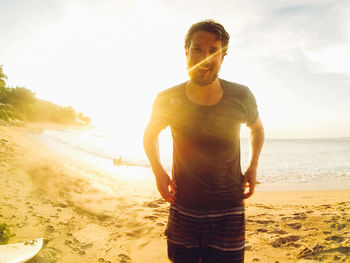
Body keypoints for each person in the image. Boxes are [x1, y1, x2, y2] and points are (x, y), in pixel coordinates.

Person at [143, 20, 264, 263]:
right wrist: (158, 172)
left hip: (229, 208)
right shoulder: (168, 98)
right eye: (198, 49)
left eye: (214, 51)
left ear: (222, 57)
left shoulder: (241, 95)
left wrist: (252, 167)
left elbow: (257, 129)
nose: (205, 58)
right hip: (184, 205)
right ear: (187, 51)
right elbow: (149, 135)